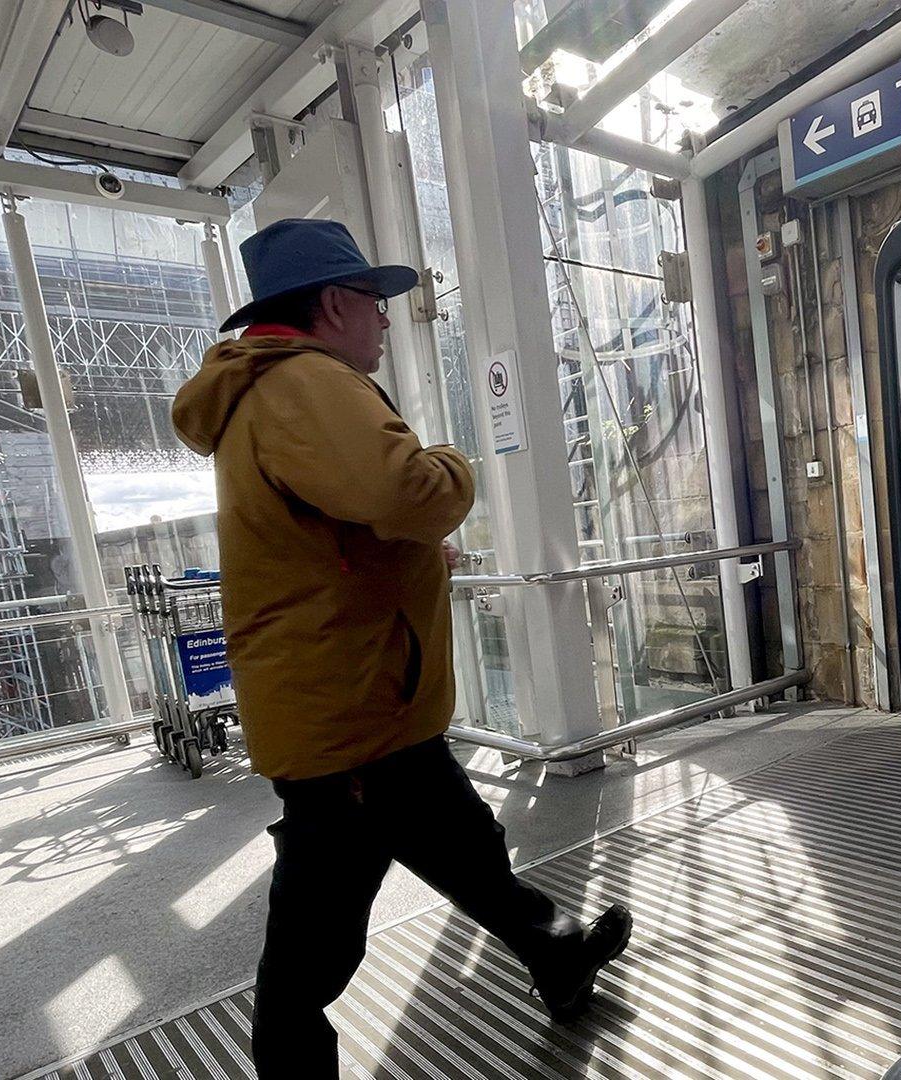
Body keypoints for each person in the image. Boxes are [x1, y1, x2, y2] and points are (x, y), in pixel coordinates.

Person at [171, 219, 630, 1075]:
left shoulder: (268, 390)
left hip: (364, 701)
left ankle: (558, 954)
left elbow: (333, 529)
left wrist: (414, 551)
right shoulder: (304, 381)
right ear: (337, 303)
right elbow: (400, 488)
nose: (386, 321)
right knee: (315, 938)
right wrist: (454, 464)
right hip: (347, 718)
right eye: (377, 303)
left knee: (467, 848)